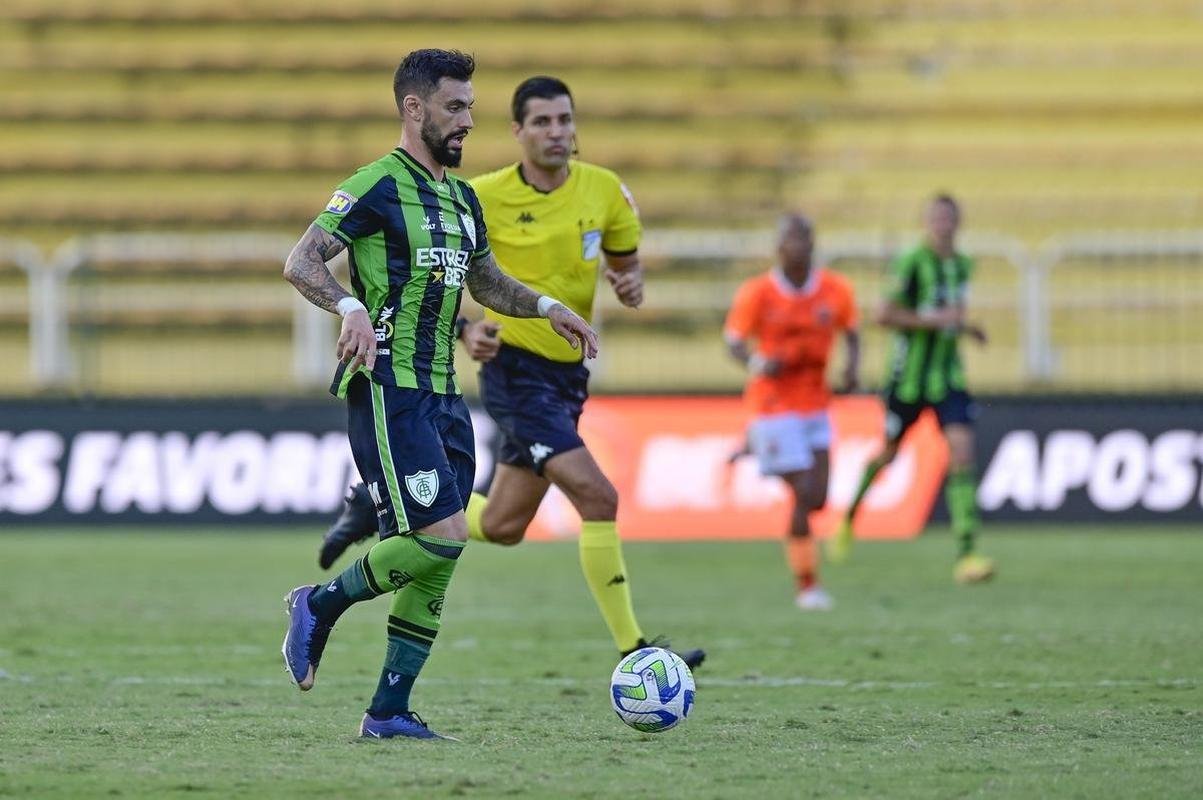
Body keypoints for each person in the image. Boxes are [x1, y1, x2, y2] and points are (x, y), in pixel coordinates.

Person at [318, 75, 704, 670]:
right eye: (543, 122)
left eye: (566, 120)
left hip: (568, 376)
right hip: (515, 373)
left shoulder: (605, 191)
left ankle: (378, 505)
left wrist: (628, 284)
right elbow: (441, 277)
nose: (558, 132)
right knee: (598, 496)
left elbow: (625, 269)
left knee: (501, 524)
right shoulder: (482, 194)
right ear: (519, 131)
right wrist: (466, 330)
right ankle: (635, 649)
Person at [280, 50, 598, 740]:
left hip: (447, 396)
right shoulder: (375, 186)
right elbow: (301, 261)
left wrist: (545, 306)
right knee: (444, 537)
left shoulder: (458, 198)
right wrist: (349, 309)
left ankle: (388, 712)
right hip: (389, 390)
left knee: (440, 558)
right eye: (455, 108)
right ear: (414, 109)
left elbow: (485, 282)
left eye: (471, 110)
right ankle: (318, 604)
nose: (467, 123)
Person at [830, 193, 994, 584]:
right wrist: (935, 320)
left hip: (948, 378)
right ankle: (849, 517)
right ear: (927, 222)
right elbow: (884, 314)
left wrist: (967, 328)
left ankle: (968, 551)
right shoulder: (912, 262)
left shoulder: (963, 265)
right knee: (888, 455)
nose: (943, 224)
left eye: (948, 218)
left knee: (962, 451)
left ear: (958, 222)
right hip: (908, 380)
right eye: (936, 218)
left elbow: (951, 314)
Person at [724, 213, 860, 611]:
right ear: (778, 247)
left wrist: (851, 368)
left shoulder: (835, 289)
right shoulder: (758, 293)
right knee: (803, 492)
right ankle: (807, 584)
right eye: (790, 239)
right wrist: (757, 363)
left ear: (813, 245)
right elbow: (733, 342)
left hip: (817, 404)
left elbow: (851, 331)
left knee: (818, 498)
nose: (797, 246)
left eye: (804, 239)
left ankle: (754, 449)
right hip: (773, 405)